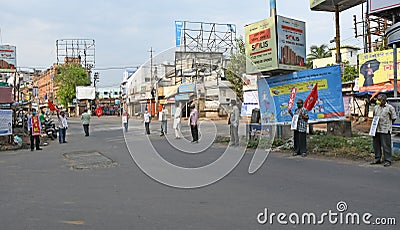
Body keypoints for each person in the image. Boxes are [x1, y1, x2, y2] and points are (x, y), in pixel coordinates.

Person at [371, 94, 397, 167]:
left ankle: (388, 160)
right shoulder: (376, 108)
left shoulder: (390, 108)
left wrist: (388, 125)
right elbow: (374, 117)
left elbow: (394, 118)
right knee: (376, 145)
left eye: (380, 100)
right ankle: (377, 158)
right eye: (377, 100)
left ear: (384, 100)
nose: (378, 101)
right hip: (376, 129)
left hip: (385, 129)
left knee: (386, 146)